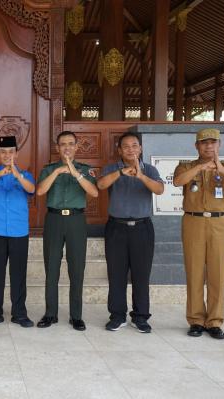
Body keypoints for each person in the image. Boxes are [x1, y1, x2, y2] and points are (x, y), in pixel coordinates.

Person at [173, 128, 224, 340]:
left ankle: (215, 321)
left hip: (220, 222)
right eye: (204, 143)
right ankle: (196, 320)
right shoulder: (186, 165)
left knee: (218, 272)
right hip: (193, 221)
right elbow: (178, 181)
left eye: (213, 142)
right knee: (194, 271)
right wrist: (201, 167)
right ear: (196, 146)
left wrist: (220, 169)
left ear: (219, 144)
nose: (209, 146)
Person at [97, 132, 164, 333]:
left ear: (140, 149)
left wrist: (141, 175)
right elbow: (100, 185)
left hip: (142, 228)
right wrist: (121, 172)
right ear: (119, 150)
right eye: (126, 146)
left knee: (141, 274)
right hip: (116, 227)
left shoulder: (150, 169)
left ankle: (141, 316)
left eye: (134, 146)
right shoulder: (111, 169)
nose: (130, 150)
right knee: (116, 274)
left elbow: (159, 190)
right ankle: (117, 316)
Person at [36, 131, 98, 331]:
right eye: (63, 144)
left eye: (71, 144)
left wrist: (75, 172)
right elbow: (40, 191)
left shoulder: (86, 170)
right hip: (54, 219)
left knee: (76, 269)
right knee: (51, 268)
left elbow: (94, 192)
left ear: (77, 147)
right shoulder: (48, 170)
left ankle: (76, 315)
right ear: (57, 148)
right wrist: (57, 172)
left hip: (76, 220)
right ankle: (50, 313)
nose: (67, 148)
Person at [0, 136, 35, 328]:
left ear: (17, 153)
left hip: (19, 231)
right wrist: (0, 173)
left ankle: (19, 313)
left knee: (18, 274)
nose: (7, 155)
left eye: (11, 151)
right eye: (3, 152)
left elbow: (31, 188)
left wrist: (16, 174)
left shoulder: (26, 175)